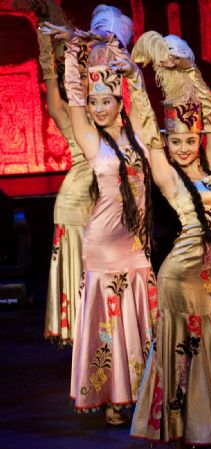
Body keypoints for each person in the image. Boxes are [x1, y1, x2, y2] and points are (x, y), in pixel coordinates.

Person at [127, 32, 211, 448]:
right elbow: (147, 133)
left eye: (189, 141)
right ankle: (181, 427)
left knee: (207, 346)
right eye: (175, 141)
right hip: (179, 277)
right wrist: (135, 82)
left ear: (199, 140)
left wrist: (190, 73)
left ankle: (201, 425)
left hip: (208, 276)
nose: (181, 148)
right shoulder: (168, 176)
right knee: (181, 350)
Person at [55, 20, 159, 425]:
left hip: (136, 242)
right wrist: (70, 54)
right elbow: (75, 99)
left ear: (119, 101)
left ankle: (143, 388)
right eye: (94, 103)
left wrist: (132, 74)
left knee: (138, 320)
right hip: (102, 243)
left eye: (106, 101)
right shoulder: (90, 139)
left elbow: (145, 105)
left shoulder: (138, 134)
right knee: (108, 325)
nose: (98, 108)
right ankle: (114, 398)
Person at [30, 0, 94, 346]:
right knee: (81, 269)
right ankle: (82, 336)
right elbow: (53, 86)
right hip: (75, 198)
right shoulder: (67, 112)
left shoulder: (100, 106)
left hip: (99, 195)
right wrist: (46, 46)